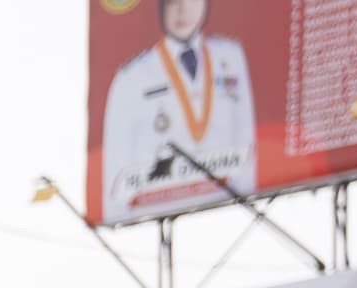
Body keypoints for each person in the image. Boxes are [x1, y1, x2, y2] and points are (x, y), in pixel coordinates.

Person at [101, 0, 257, 221]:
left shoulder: (230, 56)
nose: (182, 10)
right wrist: (117, 216)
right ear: (160, 8)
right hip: (154, 207)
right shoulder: (132, 76)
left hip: (226, 205)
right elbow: (115, 165)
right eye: (173, 2)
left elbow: (246, 134)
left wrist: (247, 200)